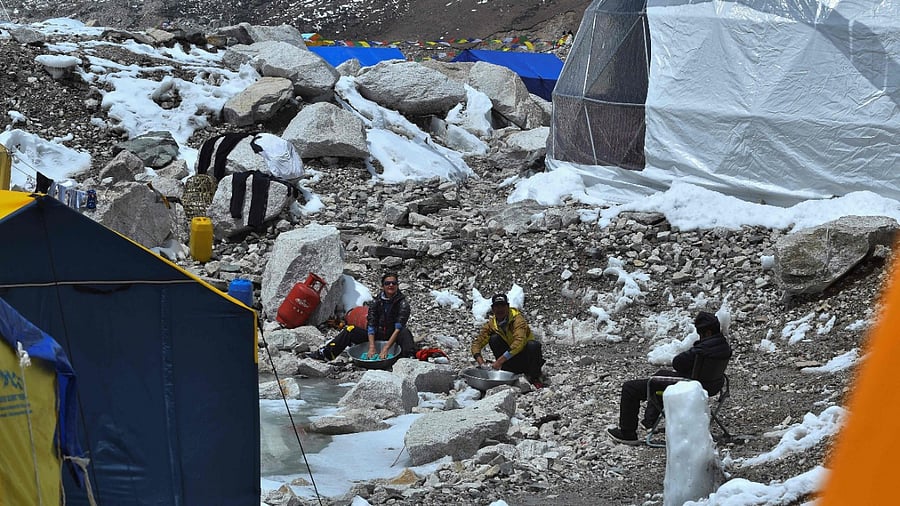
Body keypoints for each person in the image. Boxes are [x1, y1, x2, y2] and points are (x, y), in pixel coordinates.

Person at [607, 311, 733, 445]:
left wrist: (695, 348)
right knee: (661, 374)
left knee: (630, 388)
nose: (699, 337)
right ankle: (650, 420)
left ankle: (627, 433)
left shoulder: (702, 350)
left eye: (700, 334)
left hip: (691, 386)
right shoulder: (724, 347)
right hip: (712, 386)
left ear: (707, 333)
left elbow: (677, 363)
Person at [307, 272, 416, 361]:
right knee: (350, 329)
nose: (391, 285)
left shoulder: (403, 304)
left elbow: (398, 328)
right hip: (377, 335)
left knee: (405, 332)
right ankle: (326, 353)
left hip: (393, 336)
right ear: (383, 286)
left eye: (393, 283)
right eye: (387, 283)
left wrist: (386, 348)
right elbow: (371, 324)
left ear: (397, 285)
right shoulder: (376, 302)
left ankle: (408, 359)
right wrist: (372, 347)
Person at [471, 294, 546, 388]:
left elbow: (519, 343)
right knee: (494, 339)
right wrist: (481, 363)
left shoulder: (517, 320)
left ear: (508, 307)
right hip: (510, 359)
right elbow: (477, 343)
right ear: (493, 309)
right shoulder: (492, 324)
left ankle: (534, 377)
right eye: (497, 306)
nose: (500, 309)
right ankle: (507, 371)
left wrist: (499, 361)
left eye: (502, 306)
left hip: (526, 357)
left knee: (533, 345)